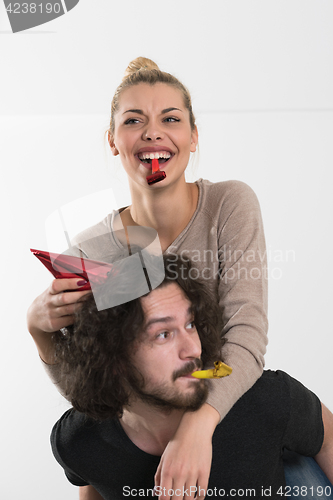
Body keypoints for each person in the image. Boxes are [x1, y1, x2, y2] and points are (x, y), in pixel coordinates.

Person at [26, 57, 320, 497]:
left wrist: (198, 428)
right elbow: (93, 377)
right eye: (133, 120)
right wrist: (37, 328)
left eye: (170, 118)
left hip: (238, 423)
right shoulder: (91, 251)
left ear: (193, 136)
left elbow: (247, 332)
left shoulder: (229, 205)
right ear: (112, 141)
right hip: (149, 443)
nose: (152, 131)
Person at [51, 256, 333, 500]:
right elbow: (89, 477)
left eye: (190, 324)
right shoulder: (77, 439)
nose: (194, 349)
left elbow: (328, 438)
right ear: (112, 358)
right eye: (164, 334)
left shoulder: (265, 399)